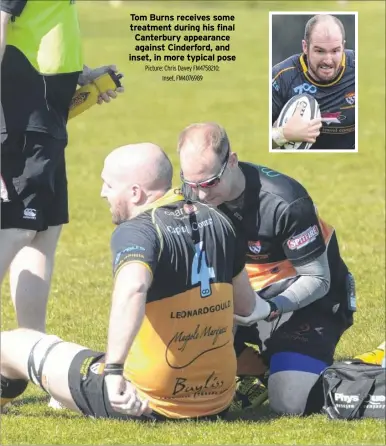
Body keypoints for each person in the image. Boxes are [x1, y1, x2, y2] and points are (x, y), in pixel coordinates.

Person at [1, 143, 269, 421]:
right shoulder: (218, 219)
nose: (102, 192)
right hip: (217, 399)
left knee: (11, 344)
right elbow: (247, 306)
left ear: (135, 192)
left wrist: (114, 370)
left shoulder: (138, 231)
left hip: (143, 399)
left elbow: (133, 288)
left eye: (108, 184)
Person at [178, 122, 356, 415]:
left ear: (231, 161)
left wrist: (271, 308)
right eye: (191, 183)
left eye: (210, 183)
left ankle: (365, 367)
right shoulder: (194, 191)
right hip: (247, 295)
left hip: (305, 300)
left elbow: (318, 279)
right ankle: (260, 368)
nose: (201, 195)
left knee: (290, 400)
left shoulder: (285, 201)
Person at [0, 0, 123, 332]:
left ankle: (33, 352)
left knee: (42, 231)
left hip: (47, 113)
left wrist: (81, 73)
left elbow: (42, 25)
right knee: (16, 229)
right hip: (23, 111)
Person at [271, 14, 355, 150]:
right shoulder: (281, 78)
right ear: (305, 46)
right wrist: (285, 134)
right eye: (320, 51)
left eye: (335, 51)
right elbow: (254, 140)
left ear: (343, 47)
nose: (328, 60)